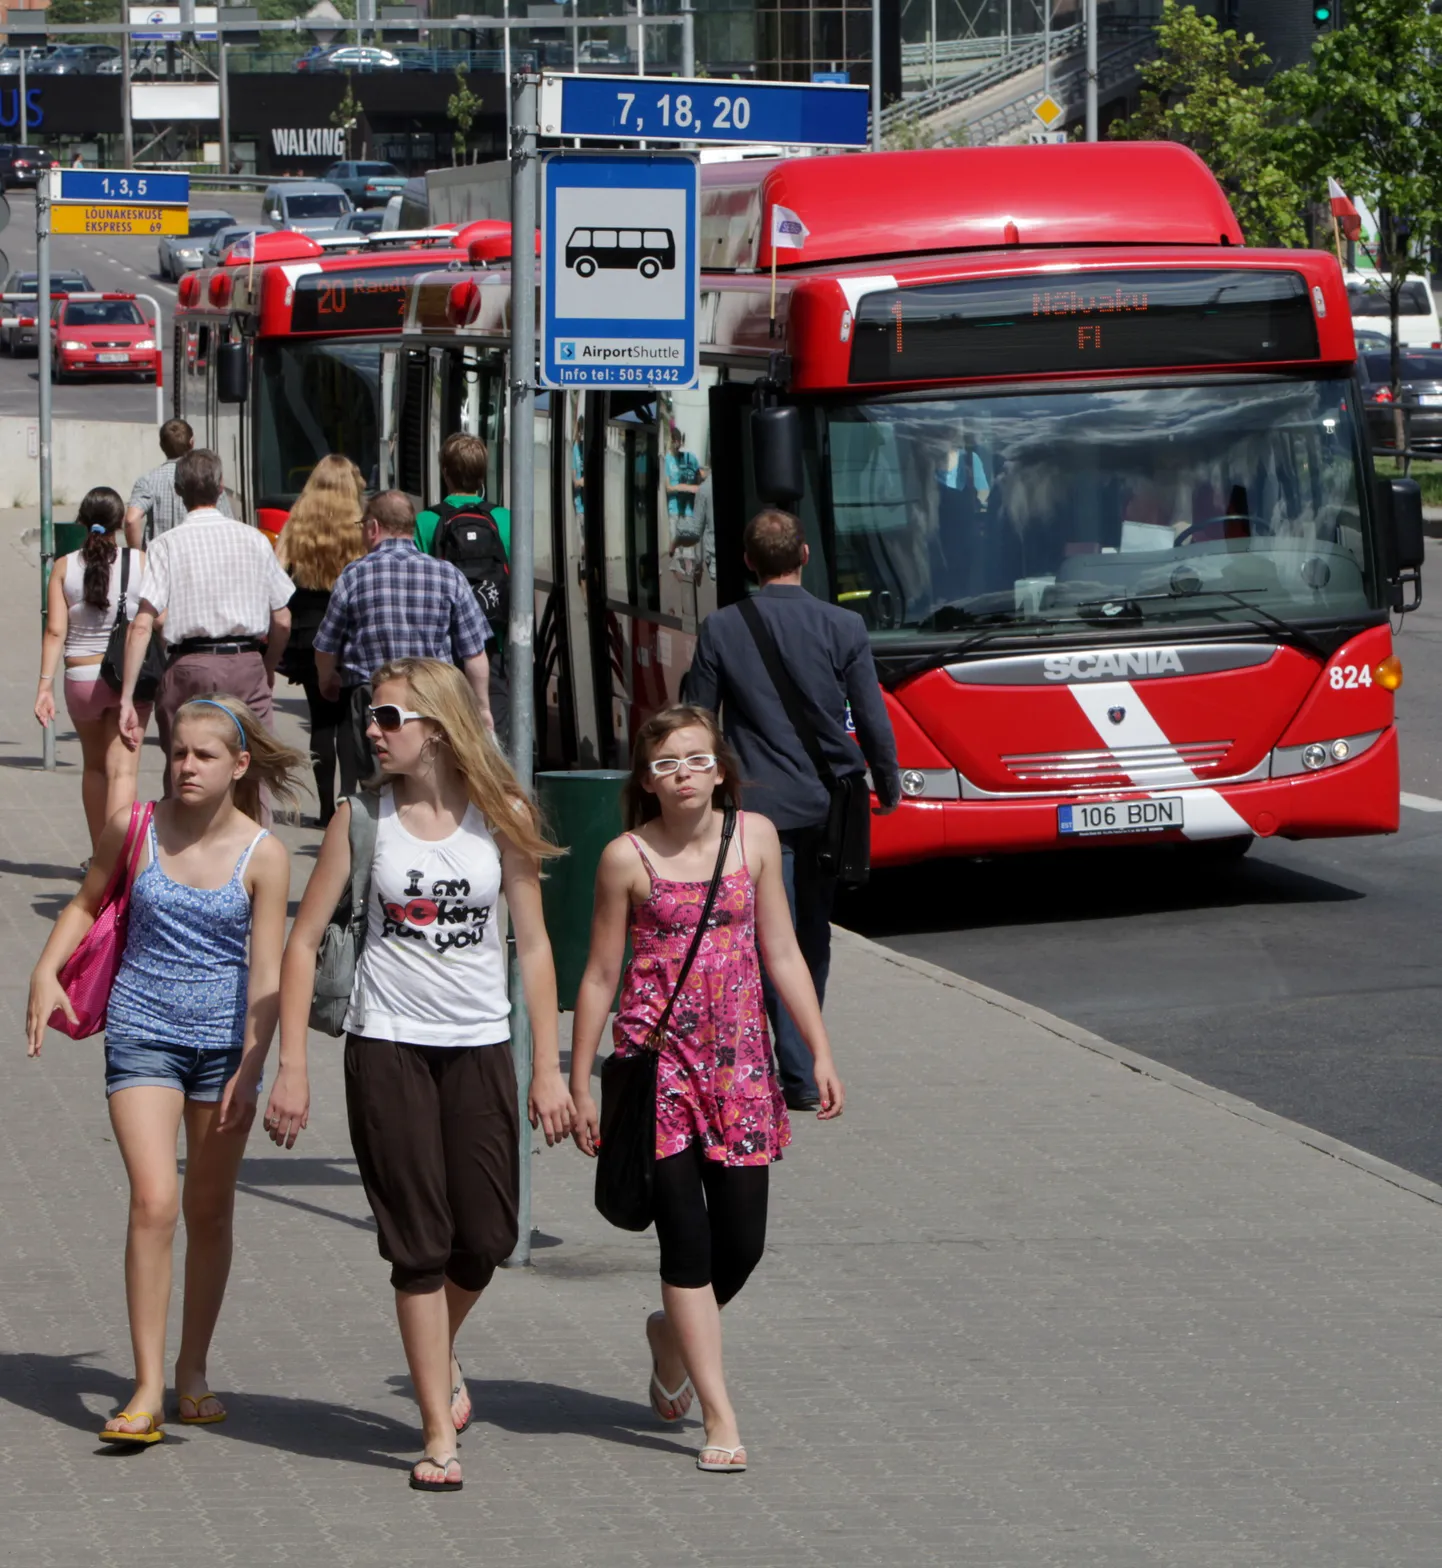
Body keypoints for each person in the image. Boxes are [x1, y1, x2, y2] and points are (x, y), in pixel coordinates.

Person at [270, 657, 574, 1493]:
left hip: (480, 1044)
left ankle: (436, 1351)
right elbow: (303, 944)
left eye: (389, 717)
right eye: (372, 716)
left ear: (437, 726)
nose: (373, 729)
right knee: (419, 1246)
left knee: (486, 1238)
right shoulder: (362, 819)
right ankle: (438, 1431)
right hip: (387, 1042)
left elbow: (536, 948)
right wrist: (291, 1066)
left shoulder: (500, 815)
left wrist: (545, 1068)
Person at [569, 705, 844, 1475]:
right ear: (646, 781)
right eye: (665, 765)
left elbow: (783, 951)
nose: (683, 774)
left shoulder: (752, 838)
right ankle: (720, 1415)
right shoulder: (625, 858)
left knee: (743, 1246)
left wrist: (817, 1051)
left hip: (741, 1065)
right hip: (660, 1069)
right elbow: (597, 975)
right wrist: (577, 1080)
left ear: (719, 769)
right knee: (685, 1241)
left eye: (695, 760)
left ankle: (670, 1333)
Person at [26, 696, 305, 1444]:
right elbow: (86, 903)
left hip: (223, 1049)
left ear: (238, 766)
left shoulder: (264, 856)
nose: (185, 766)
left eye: (203, 756)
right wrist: (46, 970)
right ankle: (146, 1387)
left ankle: (192, 1368)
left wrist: (258, 1069)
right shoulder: (136, 827)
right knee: (154, 1200)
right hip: (142, 1033)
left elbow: (266, 972)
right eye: (177, 752)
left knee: (208, 1212)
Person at [682, 508, 902, 1111]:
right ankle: (804, 1066)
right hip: (828, 804)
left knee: (763, 937)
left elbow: (696, 719)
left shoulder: (721, 628)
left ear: (749, 562)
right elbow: (872, 718)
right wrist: (888, 783)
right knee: (811, 934)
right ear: (805, 555)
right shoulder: (844, 625)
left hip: (755, 812)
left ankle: (787, 1068)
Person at [119, 450, 294, 787]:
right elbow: (282, 619)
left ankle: (183, 835)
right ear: (221, 487)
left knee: (186, 770)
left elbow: (143, 623)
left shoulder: (165, 545)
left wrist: (127, 698)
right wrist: (268, 668)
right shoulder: (255, 540)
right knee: (252, 772)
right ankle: (254, 836)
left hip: (188, 666)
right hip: (246, 664)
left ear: (178, 491)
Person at [313, 490, 494, 789]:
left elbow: (325, 646)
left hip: (373, 700)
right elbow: (474, 653)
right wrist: (482, 707)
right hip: (432, 700)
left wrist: (326, 678)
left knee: (377, 786)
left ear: (373, 527)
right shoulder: (448, 575)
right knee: (432, 782)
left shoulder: (353, 575)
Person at [34, 487, 152, 852]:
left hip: (80, 679)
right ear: (121, 522)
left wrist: (44, 687)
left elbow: (55, 631)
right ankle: (118, 861)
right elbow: (156, 619)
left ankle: (99, 855)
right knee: (124, 771)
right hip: (127, 679)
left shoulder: (65, 566)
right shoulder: (140, 562)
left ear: (83, 520)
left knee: (94, 768)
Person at [274, 455, 366, 825]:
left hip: (308, 628)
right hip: (350, 626)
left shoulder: (297, 522)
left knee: (321, 720)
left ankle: (326, 808)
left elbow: (276, 569)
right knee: (347, 718)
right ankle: (348, 803)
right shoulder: (359, 523)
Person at [415, 433, 512, 748]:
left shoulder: (427, 521)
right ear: (483, 474)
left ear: (445, 472)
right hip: (493, 642)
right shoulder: (503, 519)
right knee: (494, 731)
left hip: (443, 648)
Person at [125, 418, 234, 549]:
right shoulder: (208, 478)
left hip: (161, 561)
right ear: (192, 443)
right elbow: (229, 522)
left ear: (161, 445)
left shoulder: (148, 480)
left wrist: (140, 555)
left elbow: (131, 520)